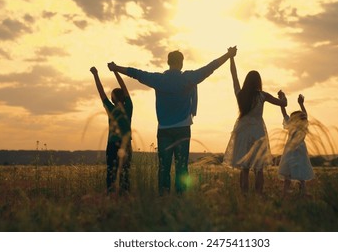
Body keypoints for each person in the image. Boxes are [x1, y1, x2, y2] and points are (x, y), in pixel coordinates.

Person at [108, 46, 237, 195]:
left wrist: (116, 67)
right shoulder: (188, 78)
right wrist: (228, 55)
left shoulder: (158, 79)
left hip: (164, 130)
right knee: (182, 167)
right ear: (181, 63)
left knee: (164, 168)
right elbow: (210, 67)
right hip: (182, 129)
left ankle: (163, 197)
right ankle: (180, 198)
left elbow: (136, 74)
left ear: (168, 62)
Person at [223, 56, 287, 194]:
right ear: (258, 82)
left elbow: (234, 76)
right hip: (258, 132)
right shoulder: (262, 95)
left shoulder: (240, 94)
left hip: (242, 131)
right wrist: (283, 96)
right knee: (259, 168)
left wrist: (231, 58)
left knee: (244, 168)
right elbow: (283, 104)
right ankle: (258, 194)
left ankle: (244, 194)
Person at [90, 66, 133, 195]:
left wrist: (96, 75)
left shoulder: (111, 108)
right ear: (124, 98)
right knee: (125, 173)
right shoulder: (129, 107)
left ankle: (111, 196)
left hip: (112, 144)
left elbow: (101, 91)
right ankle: (125, 197)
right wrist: (115, 71)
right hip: (126, 144)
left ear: (113, 99)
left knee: (111, 173)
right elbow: (125, 89)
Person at [277, 92, 314, 197]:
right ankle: (303, 192)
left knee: (288, 175)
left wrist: (282, 101)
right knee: (300, 174)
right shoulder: (303, 126)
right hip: (299, 150)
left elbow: (284, 113)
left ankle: (286, 193)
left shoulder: (292, 125)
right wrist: (301, 104)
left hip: (291, 151)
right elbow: (304, 115)